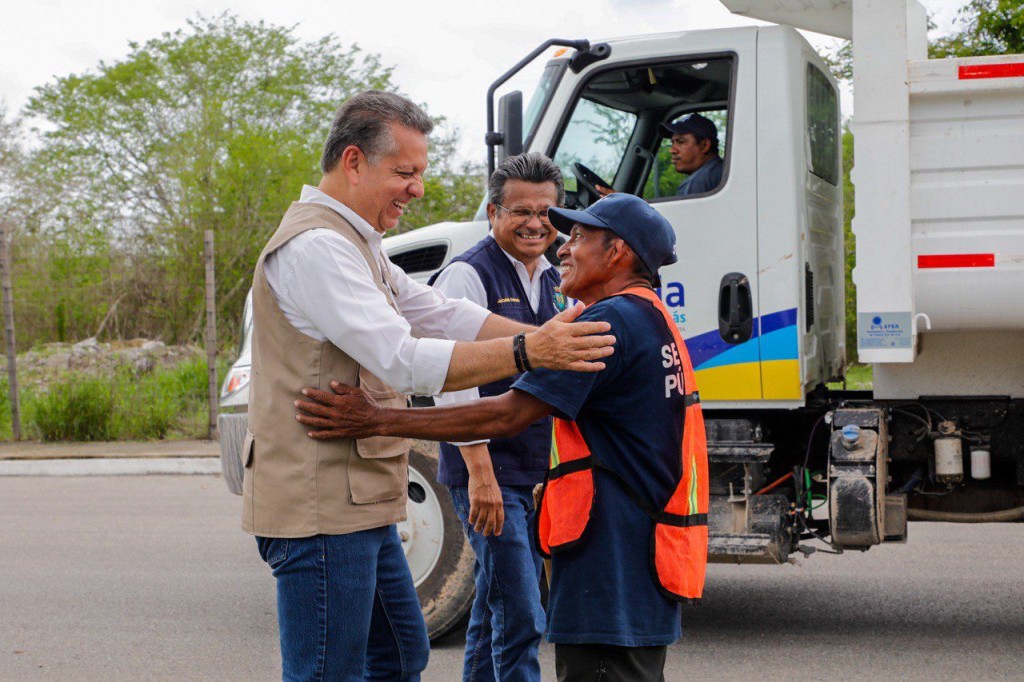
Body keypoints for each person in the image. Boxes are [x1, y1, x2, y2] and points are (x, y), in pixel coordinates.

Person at [242, 90, 616, 682]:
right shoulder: (318, 248)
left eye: (421, 172)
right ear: (354, 162)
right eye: (405, 172)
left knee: (399, 654)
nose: (417, 188)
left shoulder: (356, 241)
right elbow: (402, 358)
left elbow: (440, 314)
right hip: (318, 507)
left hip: (360, 500)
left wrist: (542, 341)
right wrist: (528, 351)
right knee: (327, 672)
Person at [296, 193, 710, 682]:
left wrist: (378, 420)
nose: (561, 247)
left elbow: (504, 416)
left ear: (617, 251)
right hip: (645, 560)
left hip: (611, 569)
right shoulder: (654, 318)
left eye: (577, 236)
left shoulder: (608, 322)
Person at [428, 152, 564, 682]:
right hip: (487, 469)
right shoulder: (466, 274)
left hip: (533, 467)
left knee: (494, 606)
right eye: (520, 211)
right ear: (492, 212)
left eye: (546, 212)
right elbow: (449, 379)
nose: (535, 223)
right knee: (523, 614)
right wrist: (480, 474)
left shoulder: (555, 276)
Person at [597, 112, 723, 197]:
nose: (672, 150)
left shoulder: (699, 182)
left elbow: (672, 227)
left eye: (680, 142)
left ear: (705, 145)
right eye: (672, 143)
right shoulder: (719, 172)